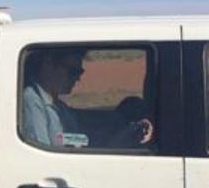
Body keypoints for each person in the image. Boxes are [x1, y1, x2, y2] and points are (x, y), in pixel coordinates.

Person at [21, 49, 154, 148]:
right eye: (72, 71)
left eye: (79, 72)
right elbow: (42, 156)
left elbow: (78, 139)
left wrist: (125, 132)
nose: (78, 78)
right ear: (48, 65)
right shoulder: (31, 102)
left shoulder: (58, 106)